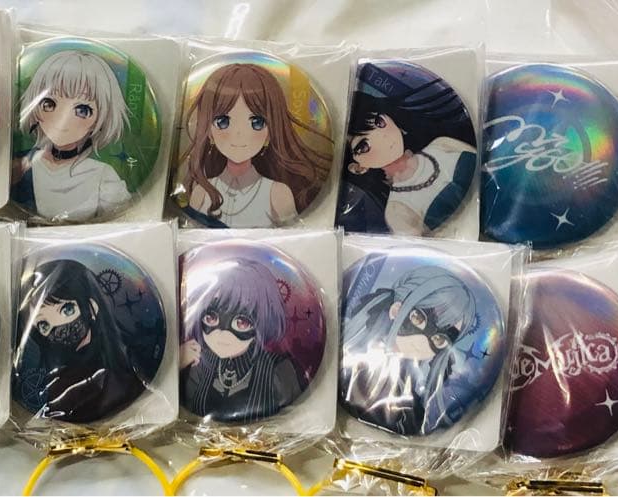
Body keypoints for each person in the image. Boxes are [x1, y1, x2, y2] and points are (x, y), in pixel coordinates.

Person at [181, 63, 331, 228]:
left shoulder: (277, 194)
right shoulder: (201, 193)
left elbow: (294, 238)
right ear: (209, 132)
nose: (239, 134)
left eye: (257, 122)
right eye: (223, 121)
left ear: (270, 133)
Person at [340, 265, 477, 435]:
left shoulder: (412, 392)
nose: (422, 343)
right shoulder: (354, 359)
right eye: (418, 318)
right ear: (396, 309)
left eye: (439, 339)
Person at [337, 73, 477, 235]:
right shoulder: (397, 210)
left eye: (379, 122)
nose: (382, 137)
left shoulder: (441, 144)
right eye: (364, 146)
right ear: (358, 168)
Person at [14, 259, 147, 423]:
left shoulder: (124, 373)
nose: (58, 325)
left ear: (92, 308)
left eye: (67, 310)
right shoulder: (50, 383)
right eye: (44, 324)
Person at [12, 50, 132, 221]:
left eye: (82, 110)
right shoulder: (21, 164)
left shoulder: (102, 176)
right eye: (48, 103)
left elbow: (121, 221)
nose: (63, 119)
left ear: (100, 119)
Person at [180, 259, 302, 423]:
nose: (222, 333)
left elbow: (293, 419)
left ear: (262, 320)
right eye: (211, 318)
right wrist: (175, 364)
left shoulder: (278, 370)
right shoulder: (200, 364)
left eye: (241, 323)